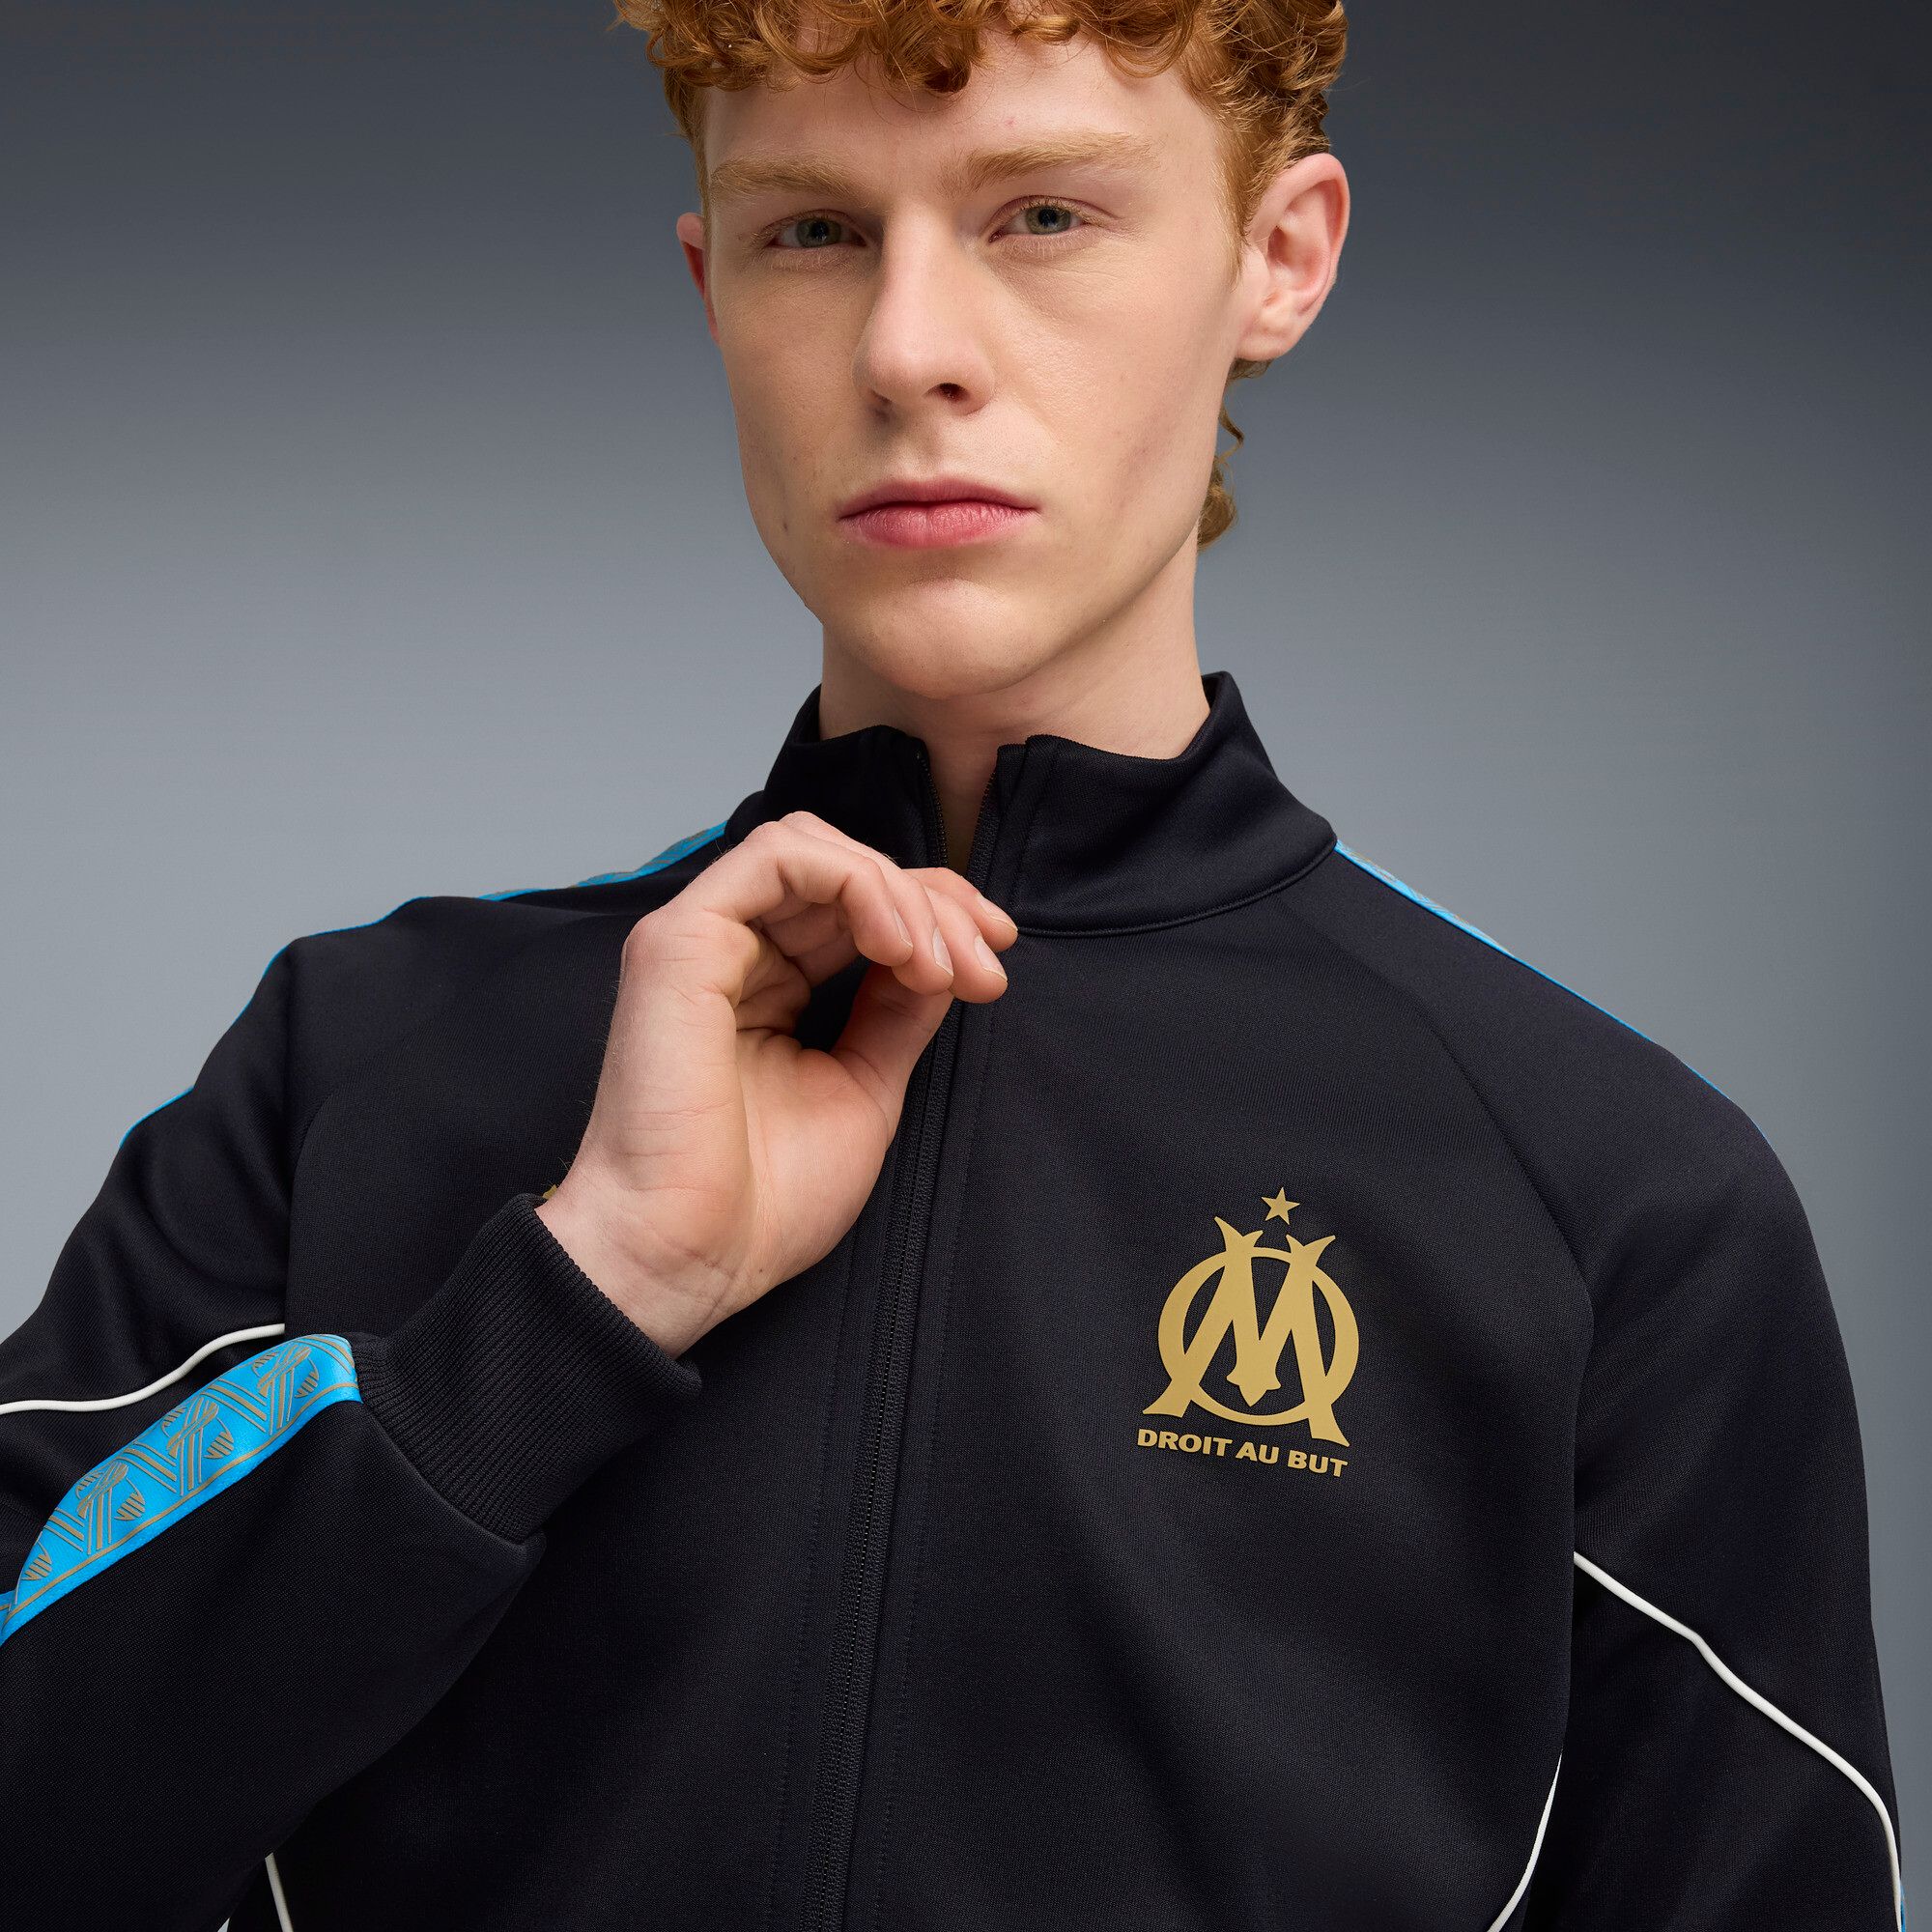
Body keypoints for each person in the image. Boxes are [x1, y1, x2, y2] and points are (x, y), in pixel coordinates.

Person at [0, 3, 1905, 1928]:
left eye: (1043, 216)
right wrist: (582, 1298)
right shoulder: (353, 1068)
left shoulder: (1613, 1197)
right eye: (813, 231)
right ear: (712, 286)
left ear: (1280, 256)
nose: (907, 348)